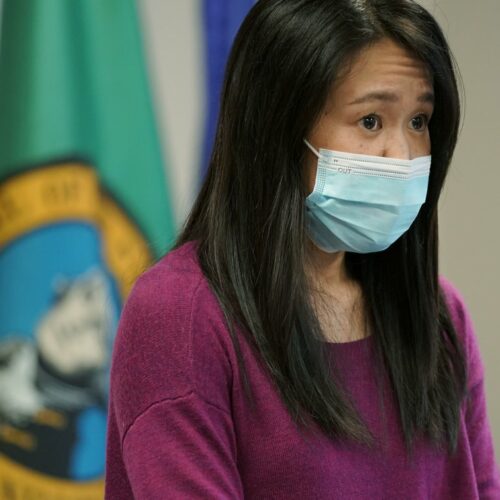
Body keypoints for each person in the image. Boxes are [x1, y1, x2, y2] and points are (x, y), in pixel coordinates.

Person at [105, 0, 500, 498]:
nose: (402, 156)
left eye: (419, 121)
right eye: (372, 121)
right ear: (280, 129)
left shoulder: (441, 316)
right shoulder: (180, 316)